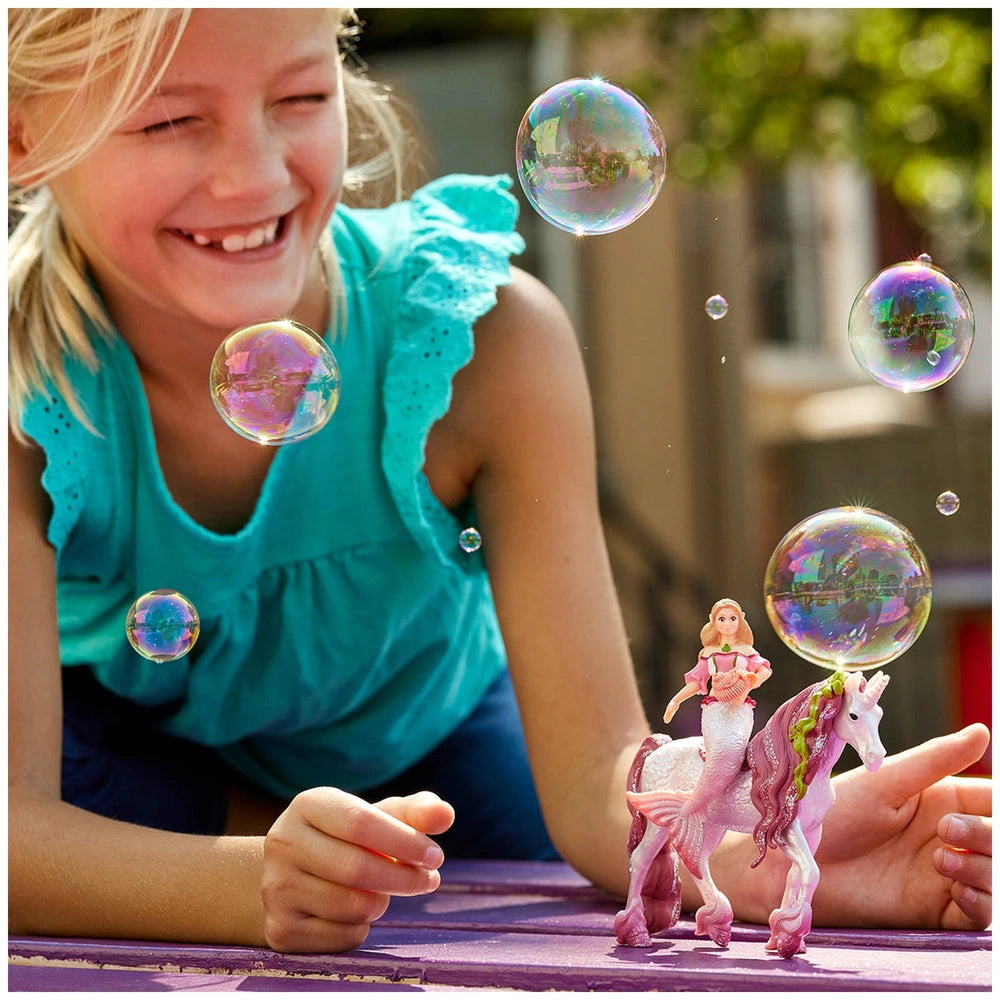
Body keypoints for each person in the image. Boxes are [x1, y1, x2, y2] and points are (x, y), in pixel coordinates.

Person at [8, 8, 991, 955]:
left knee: (552, 883)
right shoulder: (24, 387)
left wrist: (772, 854)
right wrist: (253, 876)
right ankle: (239, 813)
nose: (255, 171)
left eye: (301, 96)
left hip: (430, 748)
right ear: (18, 136)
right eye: (173, 118)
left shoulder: (484, 342)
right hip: (141, 761)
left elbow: (596, 786)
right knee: (89, 775)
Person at [655, 599, 771, 875]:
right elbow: (696, 683)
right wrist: (676, 701)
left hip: (740, 709)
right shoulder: (708, 653)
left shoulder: (747, 651)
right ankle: (692, 805)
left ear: (740, 622)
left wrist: (751, 680)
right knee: (722, 750)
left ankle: (722, 799)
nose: (728, 624)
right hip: (716, 709)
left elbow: (764, 670)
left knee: (739, 752)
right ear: (714, 622)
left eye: (733, 619)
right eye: (722, 619)